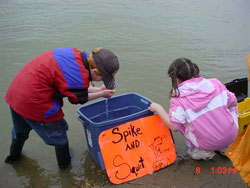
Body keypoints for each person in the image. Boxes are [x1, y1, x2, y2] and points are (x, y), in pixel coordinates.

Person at [4, 47, 119, 168]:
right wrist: (102, 94)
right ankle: (65, 170)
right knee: (60, 134)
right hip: (34, 101)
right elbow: (78, 98)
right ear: (95, 71)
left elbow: (72, 86)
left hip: (17, 92)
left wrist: (98, 89)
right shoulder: (77, 76)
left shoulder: (76, 56)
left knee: (20, 130)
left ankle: (13, 158)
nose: (104, 81)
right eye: (104, 78)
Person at [149, 58, 238, 160]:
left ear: (176, 78)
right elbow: (234, 102)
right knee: (229, 103)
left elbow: (174, 127)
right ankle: (226, 146)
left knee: (184, 122)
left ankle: (203, 152)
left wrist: (158, 108)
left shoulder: (178, 97)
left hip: (207, 143)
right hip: (232, 135)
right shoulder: (215, 83)